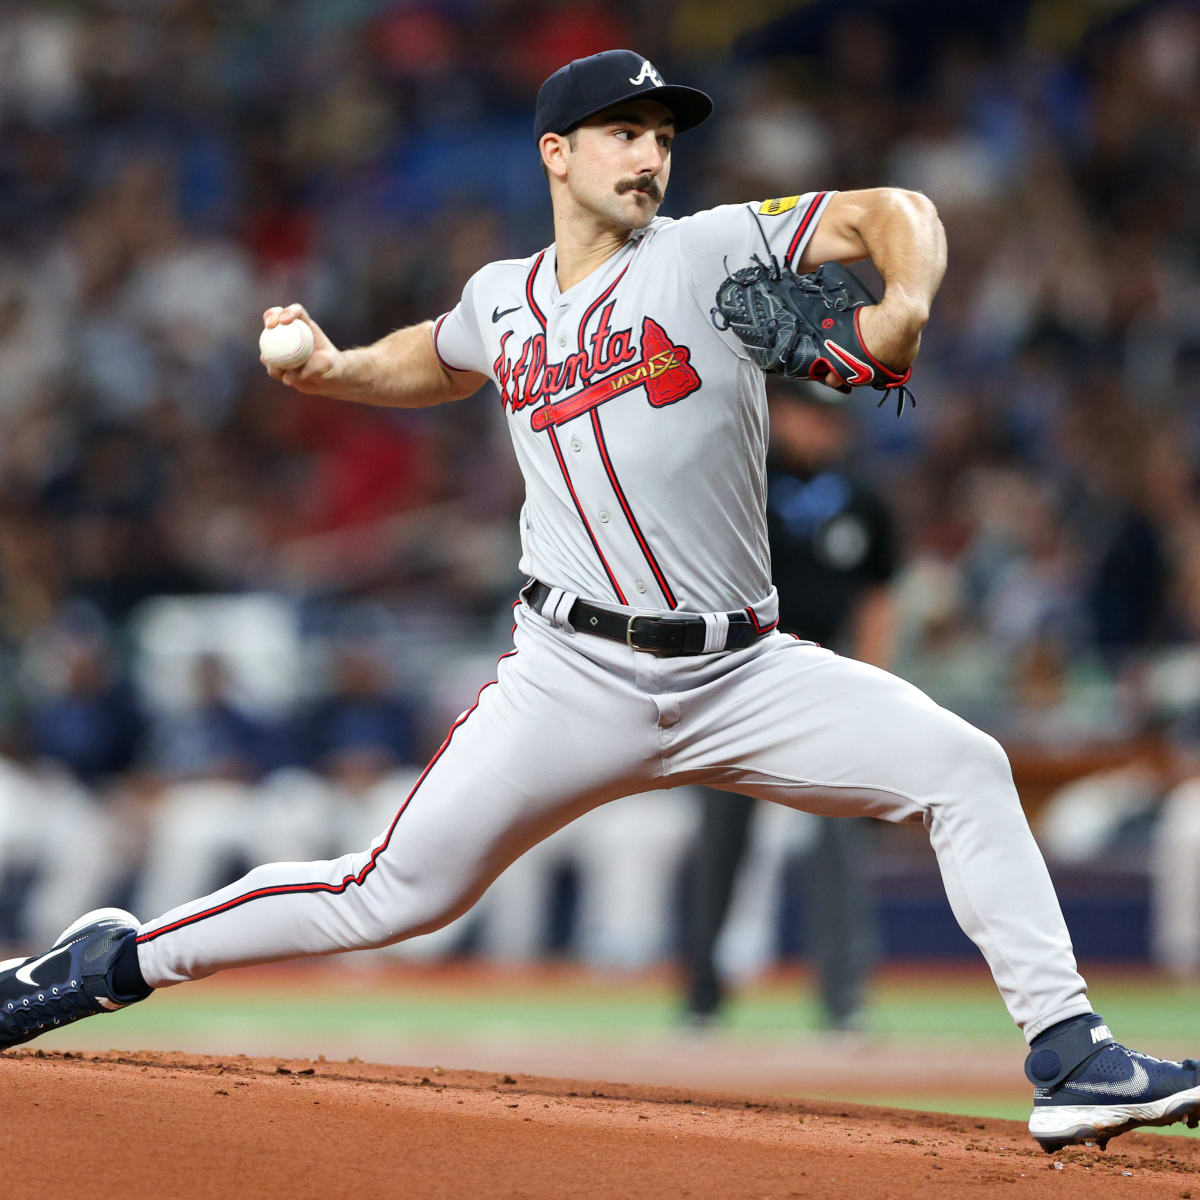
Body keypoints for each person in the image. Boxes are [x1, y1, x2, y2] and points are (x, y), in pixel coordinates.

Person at [2, 49, 1197, 1154]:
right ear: (554, 153)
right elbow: (441, 350)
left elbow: (900, 214)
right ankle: (107, 964)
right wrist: (335, 369)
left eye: (663, 136)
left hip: (744, 670)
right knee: (384, 896)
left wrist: (905, 306)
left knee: (967, 766)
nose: (650, 155)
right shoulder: (504, 295)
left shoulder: (710, 248)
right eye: (622, 131)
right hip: (572, 677)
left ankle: (1071, 1056)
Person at [684, 384, 897, 1031]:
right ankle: (702, 997)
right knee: (722, 843)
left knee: (837, 842)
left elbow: (879, 600)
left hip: (827, 690)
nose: (818, 427)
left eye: (829, 416)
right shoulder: (740, 485)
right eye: (806, 413)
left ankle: (843, 1000)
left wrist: (870, 687)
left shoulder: (861, 502)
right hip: (740, 681)